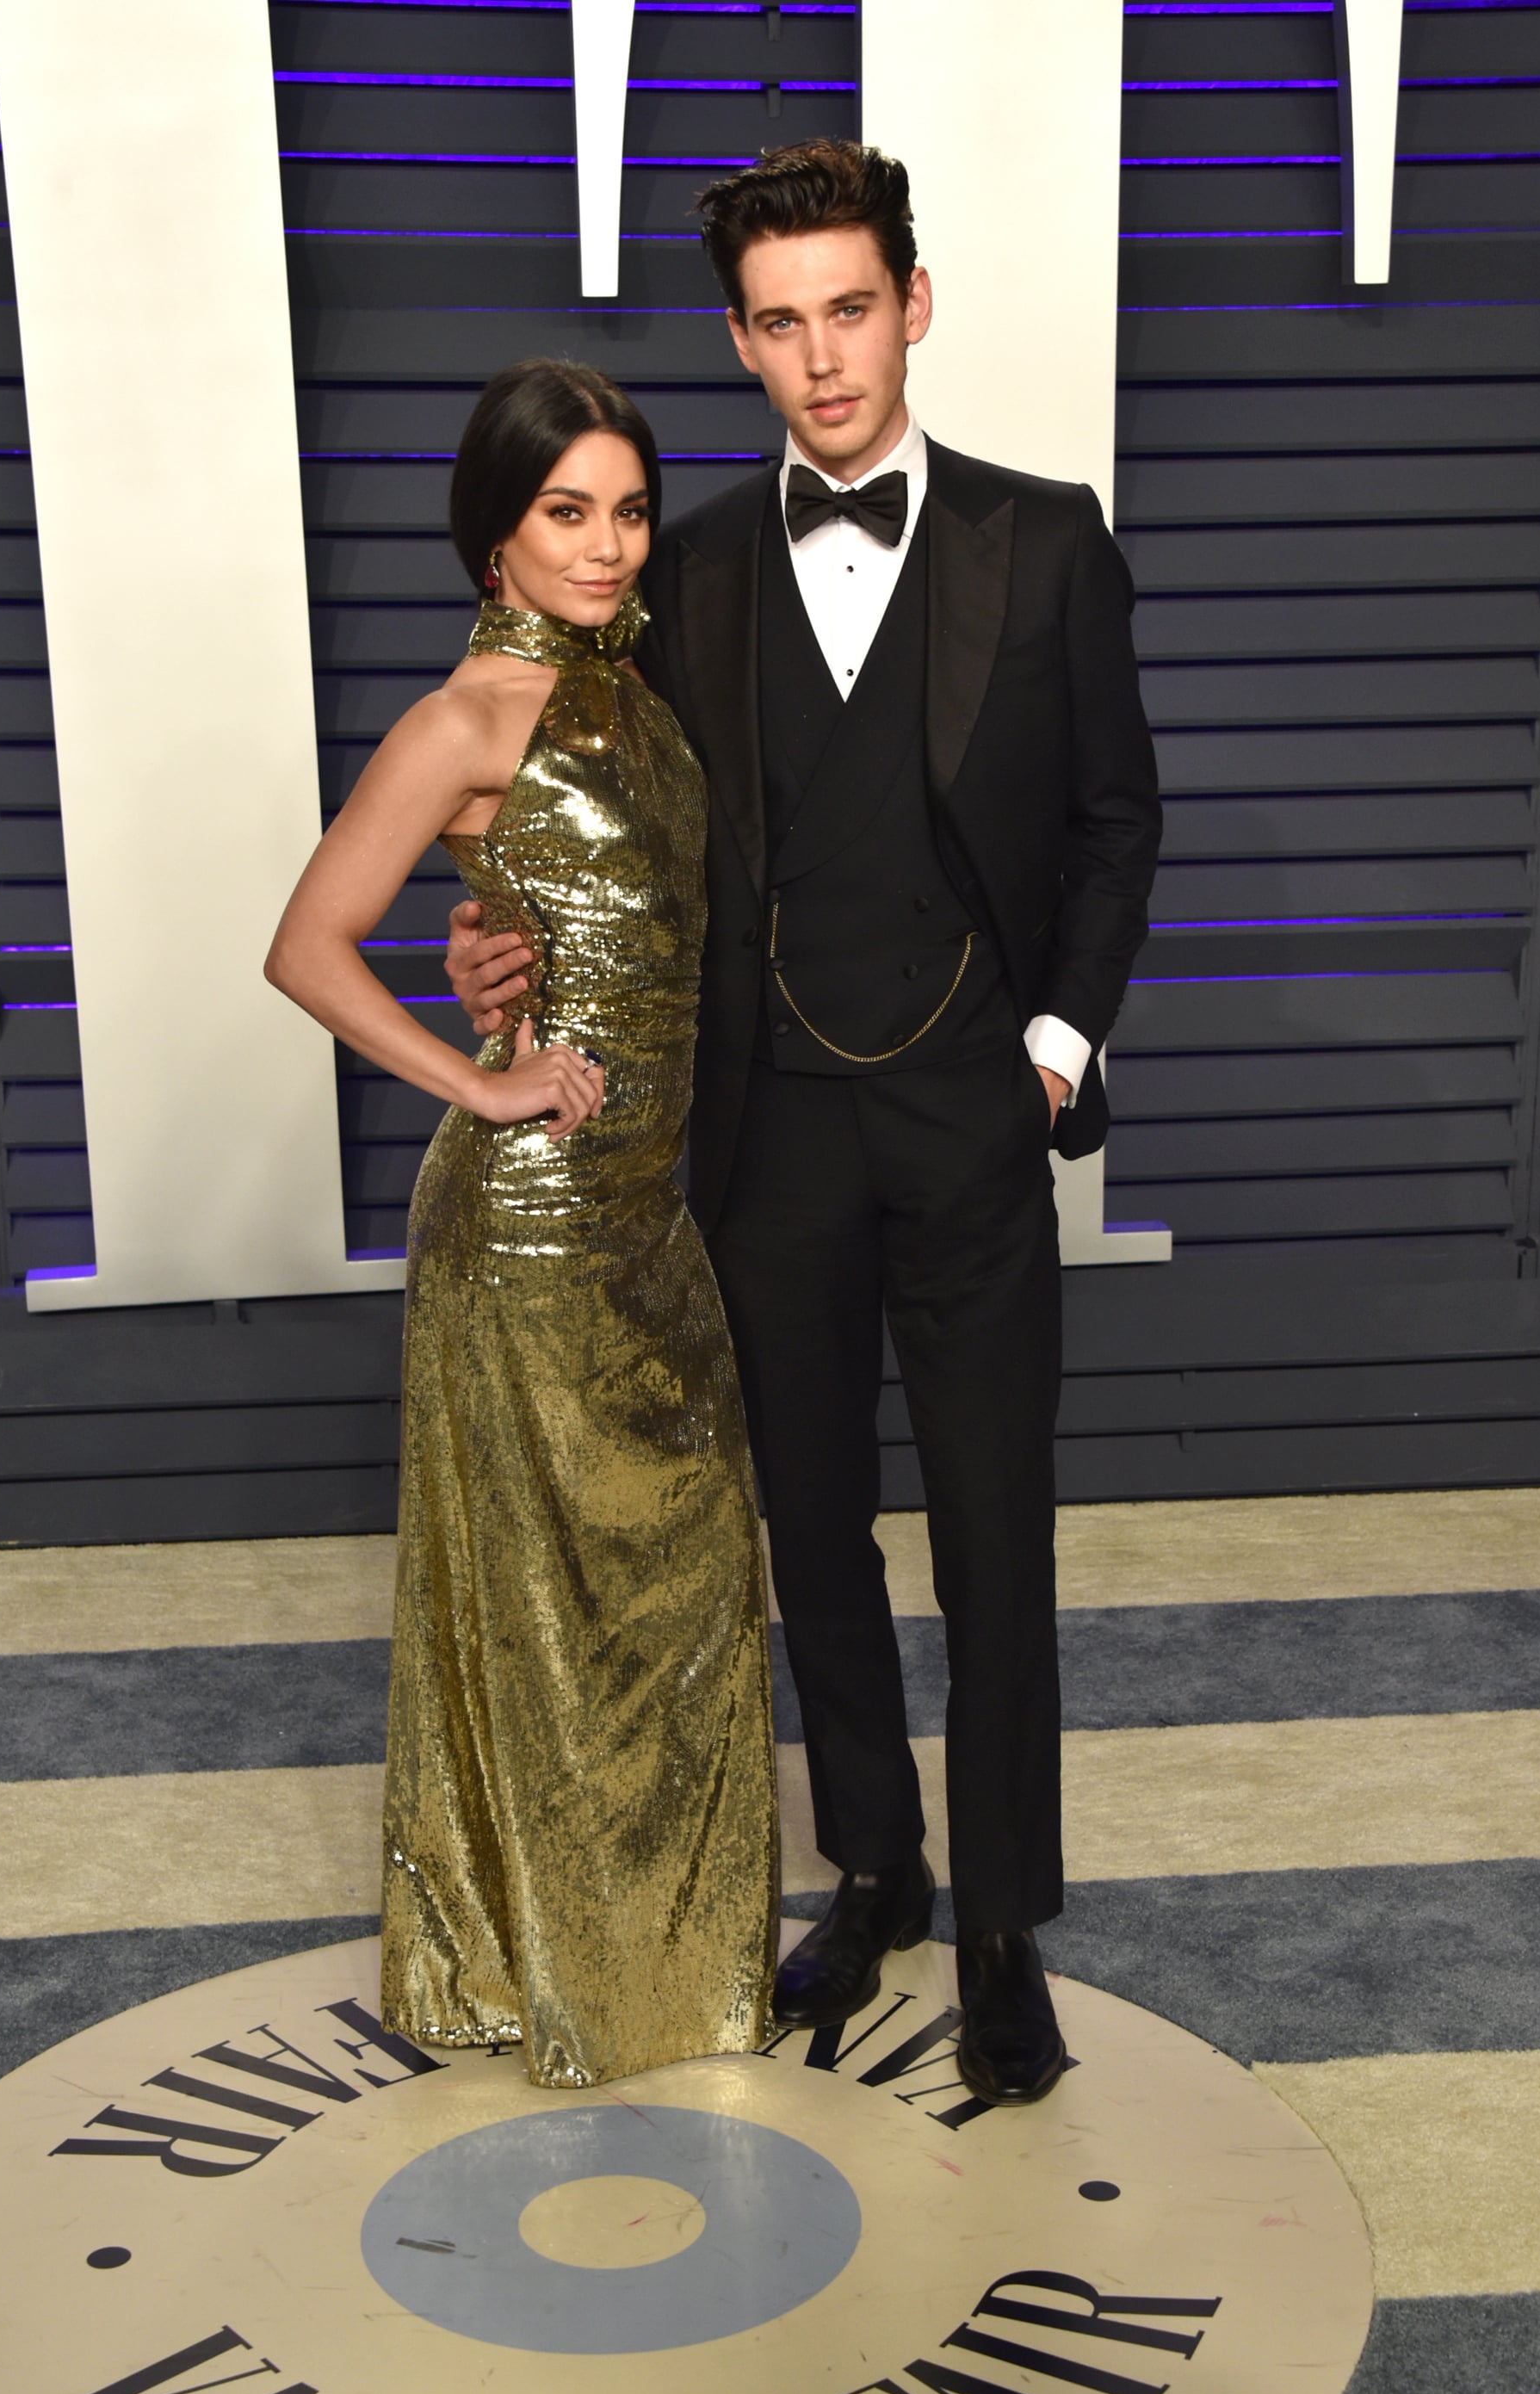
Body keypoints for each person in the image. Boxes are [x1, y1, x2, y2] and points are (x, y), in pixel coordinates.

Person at [447, 142, 1160, 2106]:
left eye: (851, 308)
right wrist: (493, 930)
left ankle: (1007, 1917)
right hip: (765, 1142)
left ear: (910, 305)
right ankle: (881, 1871)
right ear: (744, 342)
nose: (822, 356)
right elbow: (580, 810)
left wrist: (1051, 1041)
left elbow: (1116, 824)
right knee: (817, 1537)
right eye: (779, 322)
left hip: (969, 1121)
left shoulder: (1046, 538)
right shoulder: (685, 579)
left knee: (995, 1529)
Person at [265, 360, 778, 2090]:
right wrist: (477, 1082)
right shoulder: (468, 718)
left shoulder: (645, 695)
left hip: (655, 1218)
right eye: (569, 511)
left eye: (628, 509)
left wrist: (495, 944)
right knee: (558, 1613)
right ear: (497, 537)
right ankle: (575, 1985)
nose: (610, 544)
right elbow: (307, 941)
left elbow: (591, 916)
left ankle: (662, 1970)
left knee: (685, 1587)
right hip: (532, 1230)